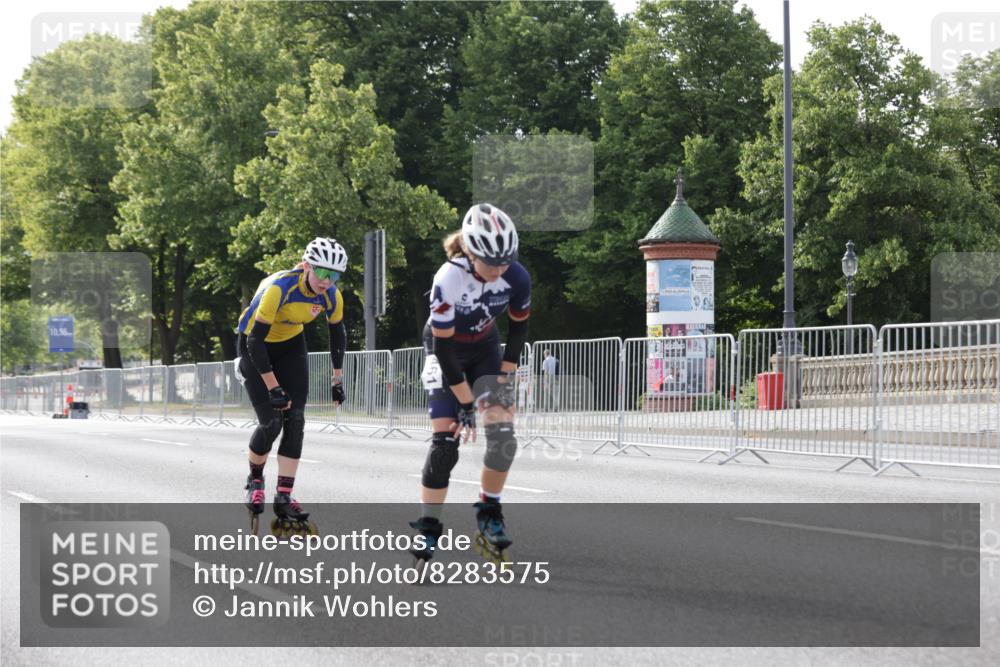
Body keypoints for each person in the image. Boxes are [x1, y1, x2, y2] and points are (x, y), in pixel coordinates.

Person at [410, 203, 531, 564]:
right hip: (444, 350)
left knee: (503, 437)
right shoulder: (447, 278)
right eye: (492, 263)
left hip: (486, 348)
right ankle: (429, 525)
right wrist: (465, 405)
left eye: (505, 262)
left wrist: (501, 383)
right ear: (471, 252)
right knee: (445, 444)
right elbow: (446, 355)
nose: (499, 270)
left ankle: (489, 510)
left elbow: (518, 330)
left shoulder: (517, 276)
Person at [236, 237, 349, 534]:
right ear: (308, 266)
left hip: (290, 346)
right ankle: (255, 479)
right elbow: (255, 341)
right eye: (323, 273)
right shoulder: (279, 289)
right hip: (254, 345)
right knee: (272, 422)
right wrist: (274, 387)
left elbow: (337, 335)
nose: (328, 281)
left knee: (296, 419)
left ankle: (284, 495)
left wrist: (338, 380)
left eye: (334, 275)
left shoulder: (331, 296)